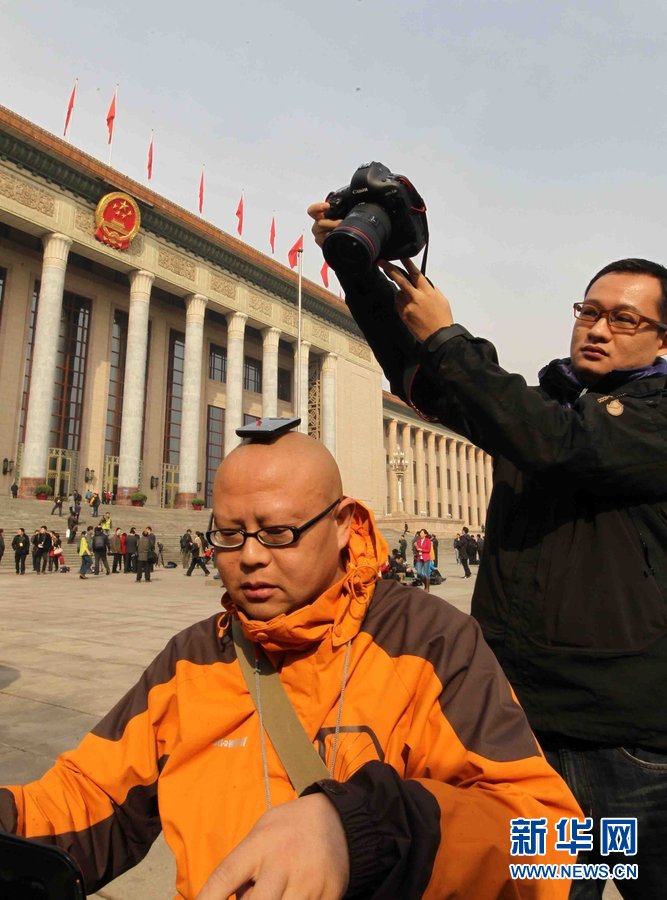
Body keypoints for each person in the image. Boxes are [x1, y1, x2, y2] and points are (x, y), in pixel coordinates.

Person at [0, 431, 581, 899]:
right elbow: (88, 797)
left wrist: (366, 832)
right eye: (230, 535)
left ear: (344, 524)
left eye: (278, 533)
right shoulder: (192, 660)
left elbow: (556, 842)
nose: (250, 556)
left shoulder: (428, 642)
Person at [310, 207, 667, 900]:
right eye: (587, 311)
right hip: (532, 743)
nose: (596, 328)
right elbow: (427, 379)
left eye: (623, 319)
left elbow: (558, 442)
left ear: (661, 339)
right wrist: (360, 273)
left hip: (635, 755)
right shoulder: (535, 411)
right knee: (549, 891)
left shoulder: (648, 421)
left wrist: (448, 333)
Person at [414, 528, 432, 592]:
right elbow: (417, 550)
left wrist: (421, 550)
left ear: (425, 534)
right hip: (419, 557)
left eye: (422, 533)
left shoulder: (428, 541)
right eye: (420, 533)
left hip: (426, 558)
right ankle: (426, 585)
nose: (420, 534)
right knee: (419, 573)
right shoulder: (418, 541)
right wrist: (416, 546)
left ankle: (427, 588)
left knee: (426, 573)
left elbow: (428, 550)